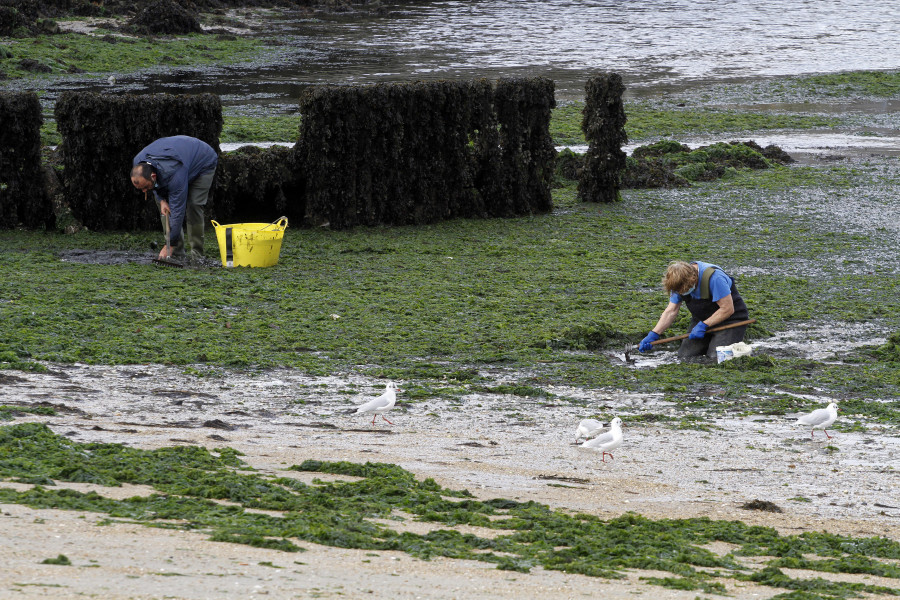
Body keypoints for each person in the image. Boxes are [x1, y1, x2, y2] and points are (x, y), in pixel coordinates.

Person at [131, 135, 218, 264]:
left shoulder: (173, 174)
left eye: (145, 187)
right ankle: (177, 254)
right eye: (141, 189)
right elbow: (154, 188)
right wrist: (161, 200)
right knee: (164, 207)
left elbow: (178, 211)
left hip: (202, 162)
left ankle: (197, 255)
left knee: (193, 205)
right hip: (179, 161)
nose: (144, 191)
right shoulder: (138, 163)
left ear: (153, 176)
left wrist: (169, 245)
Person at [639, 260, 750, 360]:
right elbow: (671, 311)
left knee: (715, 358)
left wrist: (704, 325)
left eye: (685, 290)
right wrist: (654, 334)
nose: (682, 293)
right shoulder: (677, 283)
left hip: (731, 321)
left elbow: (727, 309)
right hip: (701, 322)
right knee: (685, 357)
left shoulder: (714, 278)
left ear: (693, 279)